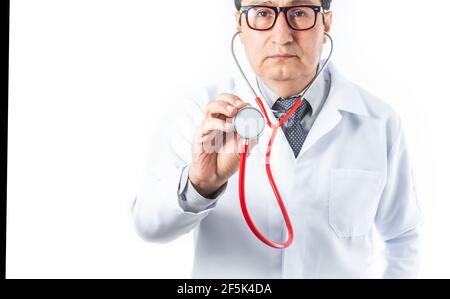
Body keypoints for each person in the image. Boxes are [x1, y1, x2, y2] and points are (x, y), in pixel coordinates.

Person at [132, 0, 422, 278]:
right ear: (239, 25)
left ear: (327, 21)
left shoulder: (378, 121)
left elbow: (402, 237)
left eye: (299, 12)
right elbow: (149, 226)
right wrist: (201, 184)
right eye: (261, 12)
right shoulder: (200, 114)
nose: (281, 36)